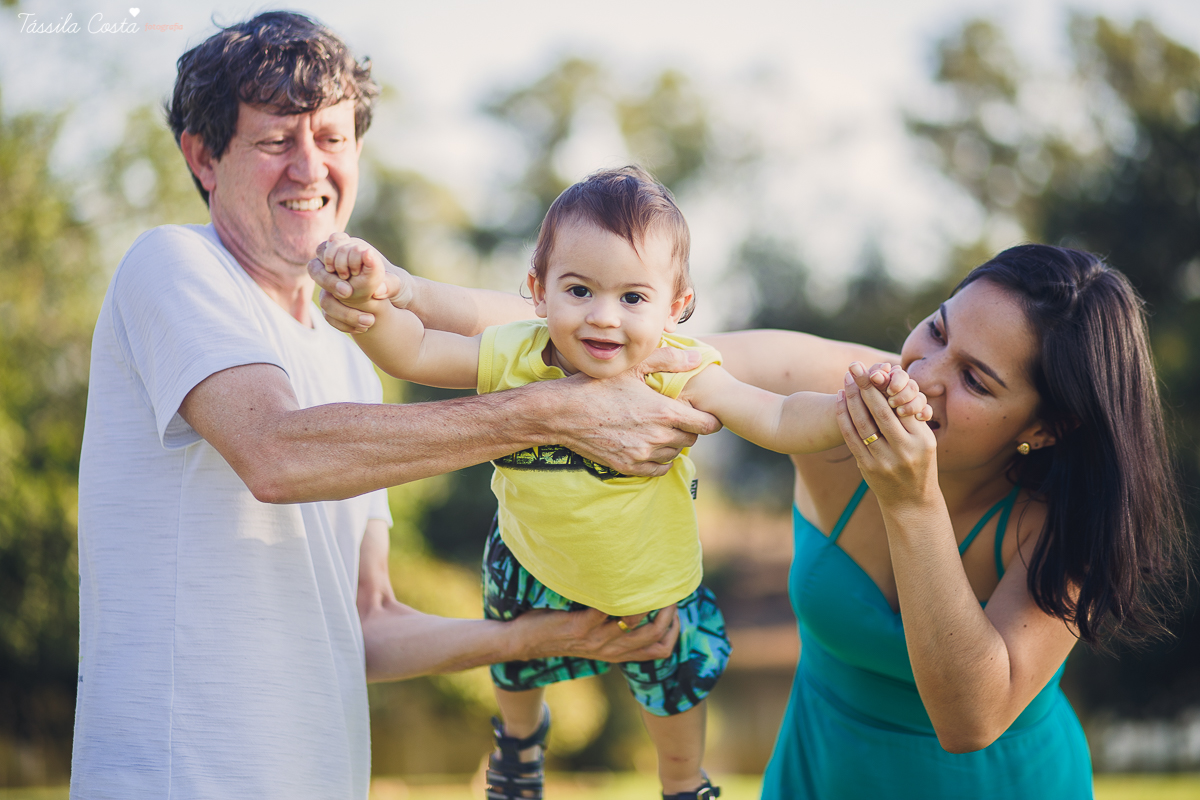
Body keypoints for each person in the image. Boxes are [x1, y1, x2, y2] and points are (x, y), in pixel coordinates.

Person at [72, 13, 721, 800]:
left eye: (334, 138)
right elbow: (276, 453)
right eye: (277, 139)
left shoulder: (350, 350)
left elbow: (368, 626)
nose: (310, 167)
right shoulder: (173, 264)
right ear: (203, 156)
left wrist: (551, 636)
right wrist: (556, 409)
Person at [314, 244, 1186, 799]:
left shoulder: (1058, 522)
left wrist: (910, 499)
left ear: (1045, 427)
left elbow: (970, 716)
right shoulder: (836, 392)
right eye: (935, 330)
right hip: (816, 778)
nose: (920, 375)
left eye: (976, 381)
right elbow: (617, 337)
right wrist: (407, 293)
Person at [315, 165, 932, 800]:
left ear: (677, 306)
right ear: (537, 288)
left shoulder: (679, 371)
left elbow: (774, 416)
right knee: (514, 659)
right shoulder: (513, 356)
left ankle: (683, 782)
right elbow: (413, 351)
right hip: (534, 560)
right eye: (579, 291)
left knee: (675, 683)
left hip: (649, 585)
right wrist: (372, 307)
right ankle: (519, 746)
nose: (603, 319)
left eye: (633, 298)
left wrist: (845, 411)